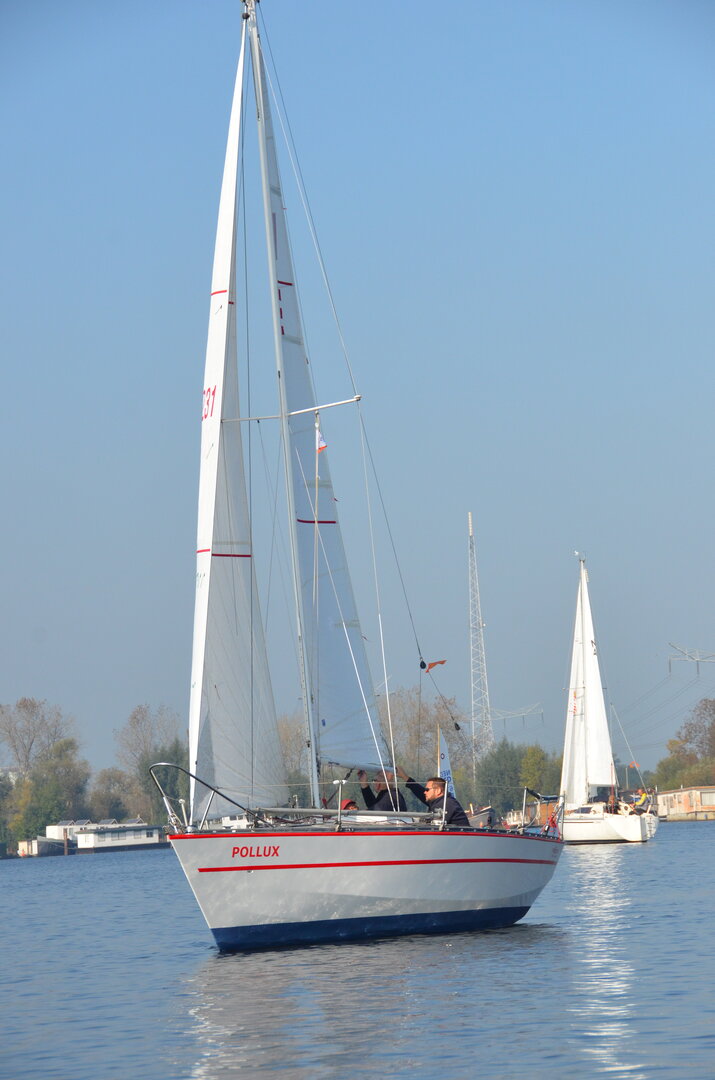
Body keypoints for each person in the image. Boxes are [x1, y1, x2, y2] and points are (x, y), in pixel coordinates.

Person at [395, 765, 471, 827]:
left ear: (438, 791)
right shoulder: (439, 802)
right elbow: (420, 792)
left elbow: (433, 825)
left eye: (427, 790)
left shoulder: (446, 804)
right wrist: (405, 777)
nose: (425, 792)